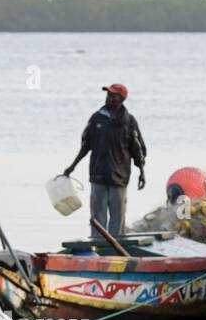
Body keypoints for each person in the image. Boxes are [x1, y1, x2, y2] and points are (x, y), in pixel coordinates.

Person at [63, 83, 146, 237]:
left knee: (118, 217)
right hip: (98, 175)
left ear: (121, 99)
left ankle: (116, 247)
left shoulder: (129, 122)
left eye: (113, 95)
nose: (109, 98)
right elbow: (85, 146)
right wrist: (72, 166)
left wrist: (141, 172)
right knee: (97, 216)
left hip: (119, 177)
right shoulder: (97, 118)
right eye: (108, 95)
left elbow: (138, 149)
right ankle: (98, 246)